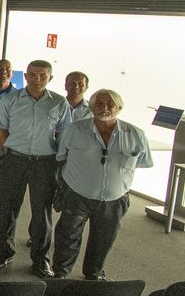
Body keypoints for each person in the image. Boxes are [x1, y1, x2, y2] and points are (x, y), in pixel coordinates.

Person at [52, 89, 153, 280]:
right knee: (67, 237)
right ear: (91, 106)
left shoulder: (135, 135)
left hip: (115, 199)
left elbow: (142, 162)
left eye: (110, 104)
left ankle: (94, 274)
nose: (104, 108)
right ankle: (60, 275)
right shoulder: (74, 130)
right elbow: (61, 156)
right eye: (99, 103)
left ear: (119, 108)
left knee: (104, 239)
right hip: (77, 194)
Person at [0, 60, 72, 276]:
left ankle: (40, 260)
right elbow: (0, 131)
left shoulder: (59, 103)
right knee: (7, 208)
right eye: (33, 75)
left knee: (41, 212)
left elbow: (64, 135)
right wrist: (13, 148)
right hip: (14, 160)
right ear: (25, 77)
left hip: (45, 163)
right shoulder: (11, 99)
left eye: (43, 75)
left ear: (50, 78)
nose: (37, 79)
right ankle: (4, 253)